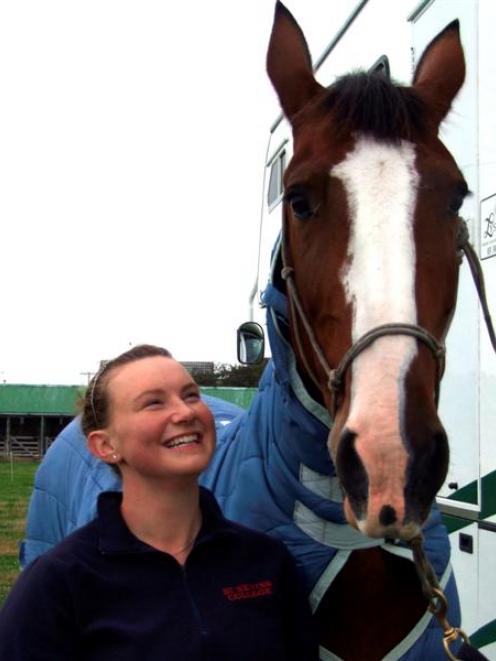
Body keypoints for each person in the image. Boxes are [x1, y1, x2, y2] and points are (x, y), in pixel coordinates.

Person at [0, 344, 318, 661]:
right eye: (153, 403)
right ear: (105, 445)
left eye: (191, 395)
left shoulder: (267, 561)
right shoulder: (58, 582)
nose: (186, 411)